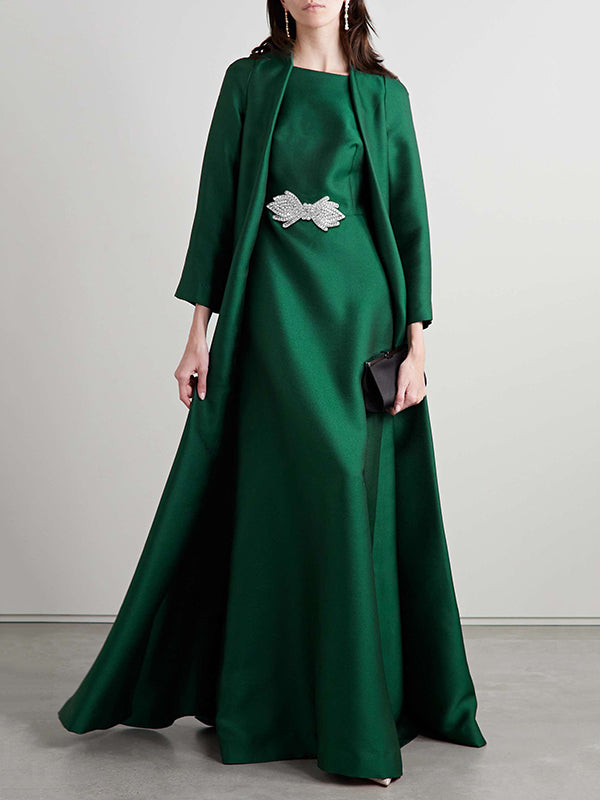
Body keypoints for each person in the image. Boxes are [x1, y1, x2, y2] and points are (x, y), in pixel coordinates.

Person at [58, 0, 486, 788]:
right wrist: (198, 334)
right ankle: (267, 708)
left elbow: (410, 220)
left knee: (345, 491)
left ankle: (357, 723)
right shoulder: (249, 83)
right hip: (268, 315)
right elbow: (218, 208)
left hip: (357, 319)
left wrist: (418, 346)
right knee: (272, 501)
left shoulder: (383, 95)